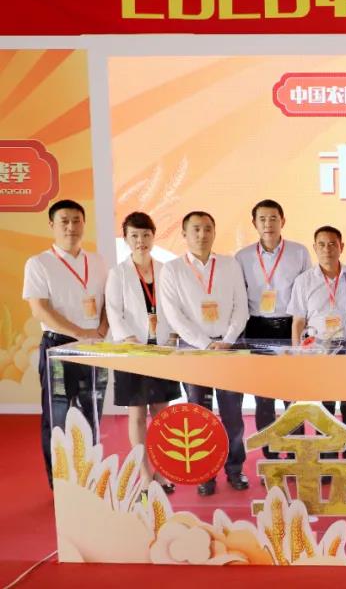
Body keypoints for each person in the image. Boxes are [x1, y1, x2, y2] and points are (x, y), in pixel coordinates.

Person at [158, 211, 250, 496]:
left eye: (207, 228)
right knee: (199, 415)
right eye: (196, 229)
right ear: (184, 234)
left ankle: (235, 469)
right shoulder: (172, 269)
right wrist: (204, 343)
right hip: (194, 350)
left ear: (214, 232)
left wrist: (227, 340)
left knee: (233, 413)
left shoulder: (230, 264)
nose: (202, 234)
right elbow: (174, 315)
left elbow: (241, 307)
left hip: (228, 347)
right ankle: (205, 473)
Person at [23, 199, 109, 485]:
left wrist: (101, 329)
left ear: (84, 223)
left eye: (76, 220)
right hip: (58, 346)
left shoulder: (97, 261)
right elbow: (40, 309)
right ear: (52, 225)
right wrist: (80, 332)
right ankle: (59, 481)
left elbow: (108, 301)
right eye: (64, 221)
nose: (71, 226)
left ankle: (90, 476)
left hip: (94, 345)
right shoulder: (39, 263)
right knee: (57, 415)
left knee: (92, 411)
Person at [104, 211, 181, 495]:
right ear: (126, 239)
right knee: (137, 414)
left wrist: (172, 336)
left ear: (153, 236)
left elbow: (175, 307)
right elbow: (114, 312)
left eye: (146, 235)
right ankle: (145, 474)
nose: (140, 241)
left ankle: (161, 471)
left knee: (162, 414)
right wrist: (130, 340)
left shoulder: (166, 270)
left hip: (161, 350)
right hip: (132, 351)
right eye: (134, 235)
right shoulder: (118, 273)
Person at [235, 199, 311, 459]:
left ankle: (296, 455)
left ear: (283, 221)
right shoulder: (243, 257)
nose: (268, 224)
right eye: (262, 219)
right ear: (254, 223)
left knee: (293, 394)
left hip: (289, 327)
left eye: (273, 218)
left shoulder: (299, 252)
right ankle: (270, 456)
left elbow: (305, 292)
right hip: (257, 327)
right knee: (264, 396)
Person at [287, 225, 346, 466]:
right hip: (318, 350)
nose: (327, 249)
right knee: (324, 409)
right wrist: (297, 354)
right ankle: (326, 462)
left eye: (332, 244)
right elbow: (298, 321)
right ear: (314, 248)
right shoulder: (304, 281)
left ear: (341, 247)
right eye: (322, 245)